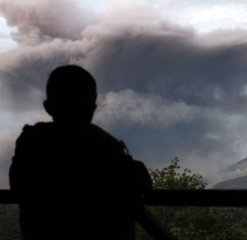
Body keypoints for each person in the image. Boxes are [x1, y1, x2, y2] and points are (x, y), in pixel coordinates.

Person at [9, 65, 152, 240]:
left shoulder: (31, 144)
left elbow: (18, 185)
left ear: (48, 107)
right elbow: (140, 182)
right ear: (92, 108)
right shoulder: (107, 148)